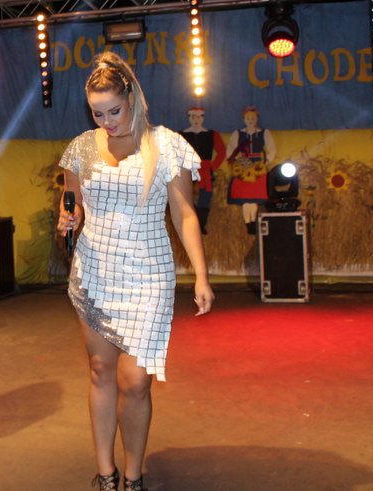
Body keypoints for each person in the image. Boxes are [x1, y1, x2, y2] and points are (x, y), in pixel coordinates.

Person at [58, 52, 214, 491]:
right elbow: (72, 206)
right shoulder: (81, 148)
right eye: (97, 113)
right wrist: (68, 219)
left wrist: (201, 275)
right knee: (100, 371)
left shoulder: (166, 146)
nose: (107, 121)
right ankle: (106, 473)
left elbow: (184, 215)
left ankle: (134, 474)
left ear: (132, 98)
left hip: (148, 276)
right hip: (95, 272)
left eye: (115, 111)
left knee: (136, 382)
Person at [226, 105, 277, 234]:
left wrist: (265, 163)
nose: (250, 120)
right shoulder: (238, 133)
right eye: (248, 118)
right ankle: (248, 223)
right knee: (245, 199)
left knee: (254, 198)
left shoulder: (264, 133)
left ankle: (253, 222)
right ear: (244, 119)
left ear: (257, 119)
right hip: (243, 168)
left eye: (253, 118)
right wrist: (239, 162)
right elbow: (230, 151)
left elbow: (272, 149)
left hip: (257, 168)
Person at [179, 106, 226, 234]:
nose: (196, 119)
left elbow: (221, 152)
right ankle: (191, 224)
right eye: (193, 117)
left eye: (199, 117)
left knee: (205, 198)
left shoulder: (212, 135)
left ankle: (201, 224)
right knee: (187, 197)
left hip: (205, 171)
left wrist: (212, 166)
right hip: (188, 170)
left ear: (203, 118)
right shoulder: (181, 135)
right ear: (189, 118)